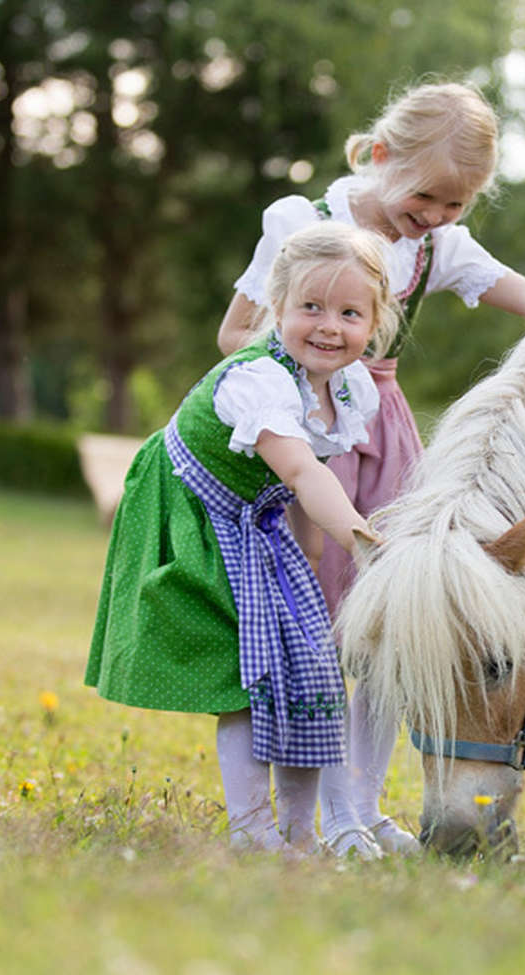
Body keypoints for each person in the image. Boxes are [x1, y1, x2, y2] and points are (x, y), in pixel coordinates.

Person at [218, 81, 525, 858]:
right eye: (428, 196)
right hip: (309, 439)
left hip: (386, 434)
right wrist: (300, 377)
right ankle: (305, 814)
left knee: (393, 625)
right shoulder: (301, 223)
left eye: (459, 204)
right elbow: (234, 332)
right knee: (316, 629)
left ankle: (362, 807)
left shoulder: (439, 247)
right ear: (380, 155)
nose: (440, 216)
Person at [87, 221, 399, 856]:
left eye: (349, 313)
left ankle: (299, 835)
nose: (328, 327)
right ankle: (253, 832)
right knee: (246, 675)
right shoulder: (256, 380)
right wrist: (363, 538)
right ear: (276, 306)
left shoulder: (349, 388)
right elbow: (300, 470)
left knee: (311, 668)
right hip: (192, 508)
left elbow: (310, 480)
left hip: (258, 517)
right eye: (310, 307)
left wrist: (312, 562)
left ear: (376, 324)